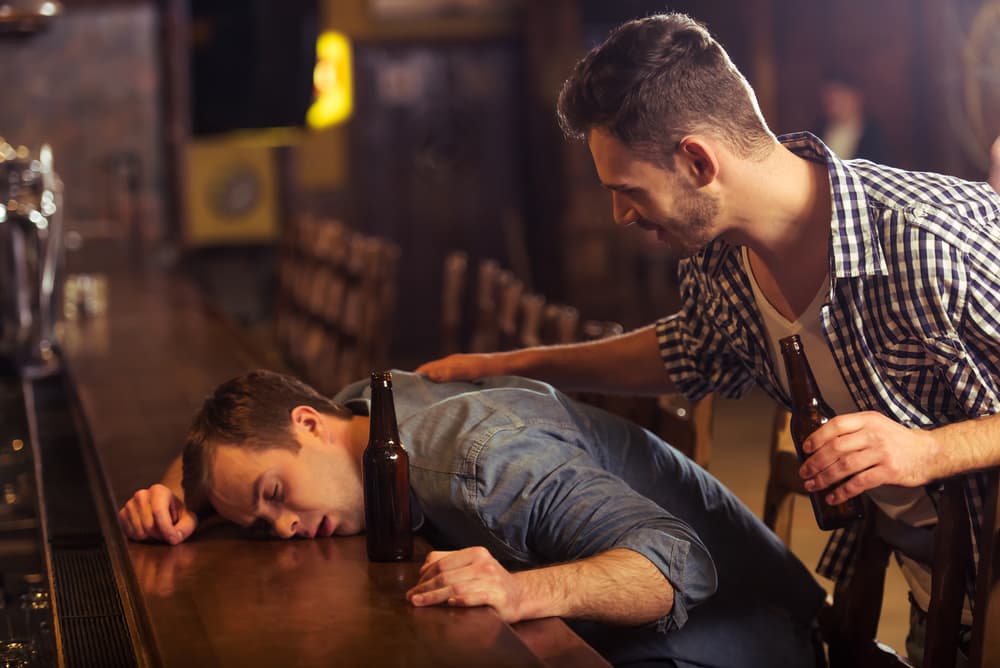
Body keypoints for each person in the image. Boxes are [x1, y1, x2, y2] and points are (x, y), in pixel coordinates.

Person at [415, 12, 1000, 667]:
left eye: (628, 190)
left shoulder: (930, 238)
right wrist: (512, 364)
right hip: (943, 594)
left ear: (697, 160)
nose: (621, 215)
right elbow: (687, 349)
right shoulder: (721, 264)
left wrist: (927, 451)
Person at [119, 369, 825, 668]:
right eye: (258, 520)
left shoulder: (481, 461)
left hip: (743, 643)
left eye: (275, 495)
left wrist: (521, 591)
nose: (280, 527)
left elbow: (679, 562)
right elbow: (237, 433)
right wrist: (172, 491)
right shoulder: (364, 412)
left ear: (308, 423)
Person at [814, 74, 884, 162]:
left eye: (842, 99)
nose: (835, 107)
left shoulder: (873, 134)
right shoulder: (819, 129)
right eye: (831, 101)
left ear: (857, 98)